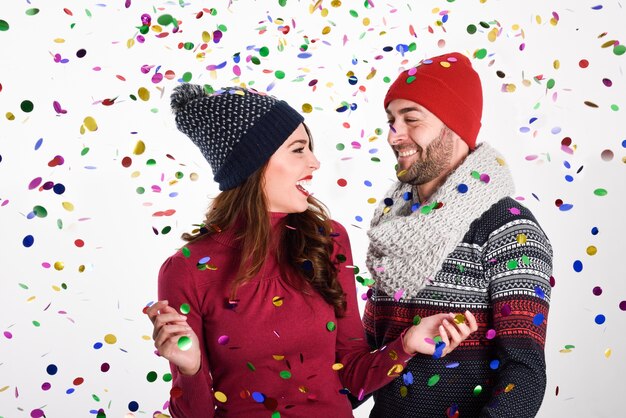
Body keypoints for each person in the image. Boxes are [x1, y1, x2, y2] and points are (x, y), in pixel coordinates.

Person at [145, 83, 478, 418]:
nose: (315, 162)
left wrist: (407, 345)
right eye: (298, 149)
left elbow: (352, 375)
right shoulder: (188, 270)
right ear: (254, 163)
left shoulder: (327, 240)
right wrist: (190, 369)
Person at [359, 51, 553, 417]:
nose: (393, 135)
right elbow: (368, 355)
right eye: (391, 121)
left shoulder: (509, 228)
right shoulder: (391, 228)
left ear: (454, 126)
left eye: (410, 119)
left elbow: (524, 374)